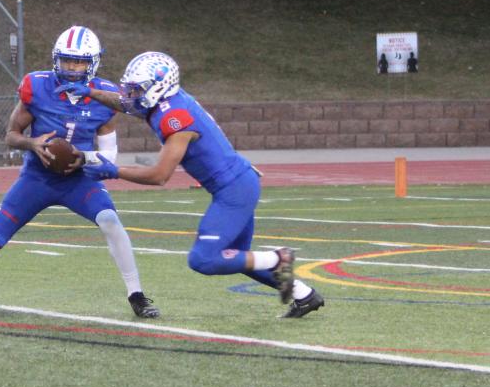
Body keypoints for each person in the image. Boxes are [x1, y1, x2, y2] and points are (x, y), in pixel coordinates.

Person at [0, 26, 160, 320]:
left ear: (93, 63)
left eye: (80, 62)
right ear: (55, 59)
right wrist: (31, 143)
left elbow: (109, 155)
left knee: (111, 220)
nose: (73, 68)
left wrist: (82, 158)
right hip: (36, 178)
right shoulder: (36, 86)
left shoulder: (106, 97)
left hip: (79, 179)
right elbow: (11, 135)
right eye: (67, 61)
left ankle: (136, 294)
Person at [79, 50, 324, 319]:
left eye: (138, 89)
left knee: (204, 259)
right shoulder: (166, 101)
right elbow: (125, 103)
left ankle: (278, 258)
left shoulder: (176, 118)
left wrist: (114, 171)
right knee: (236, 256)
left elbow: (160, 175)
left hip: (234, 189)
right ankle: (304, 294)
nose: (131, 94)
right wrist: (88, 92)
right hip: (239, 182)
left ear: (157, 87)